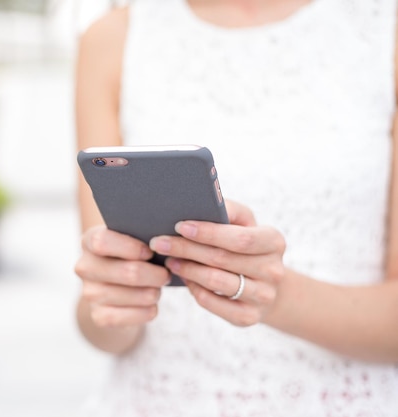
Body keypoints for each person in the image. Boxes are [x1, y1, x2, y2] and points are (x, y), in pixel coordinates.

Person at [73, 0, 398, 415]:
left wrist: (274, 296)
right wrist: (116, 299)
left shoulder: (385, 28)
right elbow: (97, 315)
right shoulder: (111, 39)